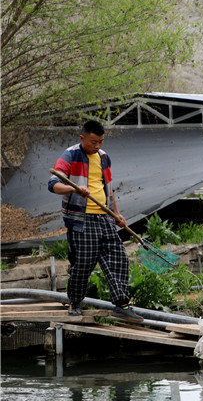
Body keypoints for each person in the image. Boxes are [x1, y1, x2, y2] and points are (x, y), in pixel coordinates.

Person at [48, 120, 143, 322]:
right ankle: (74, 302)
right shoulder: (70, 155)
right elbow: (54, 184)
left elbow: (109, 187)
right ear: (82, 138)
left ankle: (121, 304)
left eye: (100, 141)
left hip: (104, 216)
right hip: (81, 218)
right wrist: (74, 189)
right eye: (93, 142)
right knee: (83, 263)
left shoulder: (103, 157)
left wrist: (116, 214)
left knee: (118, 257)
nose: (97, 146)